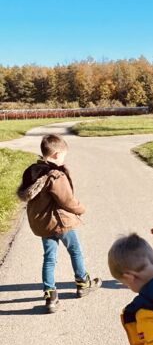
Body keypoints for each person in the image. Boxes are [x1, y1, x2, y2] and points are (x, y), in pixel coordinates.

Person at [17, 134, 101, 313]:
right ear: (56, 154)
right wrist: (81, 209)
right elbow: (67, 200)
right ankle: (82, 282)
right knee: (75, 250)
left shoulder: (32, 172)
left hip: (43, 224)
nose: (64, 159)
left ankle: (50, 295)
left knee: (49, 258)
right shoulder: (55, 175)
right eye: (63, 156)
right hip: (60, 222)